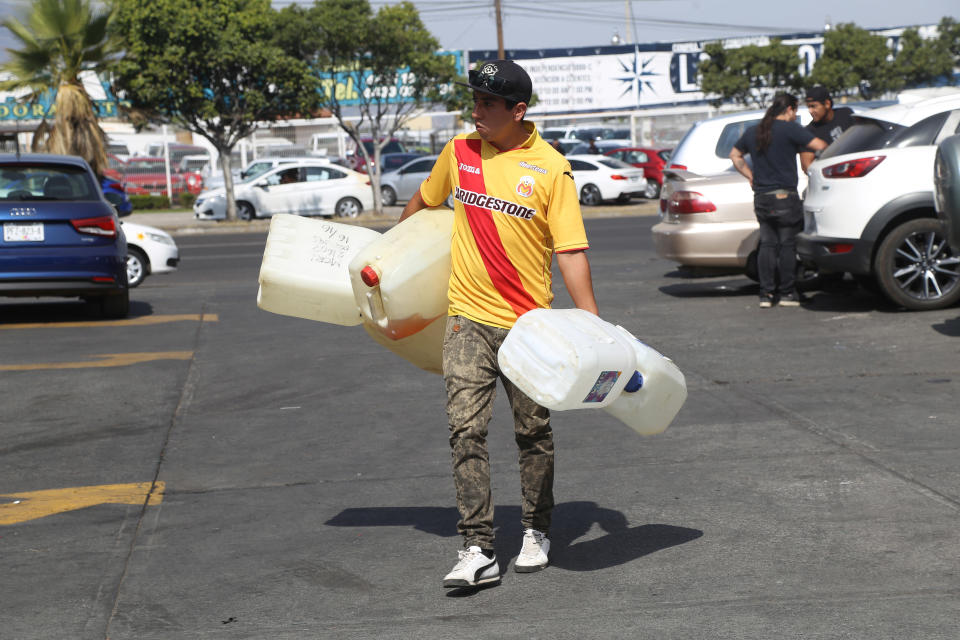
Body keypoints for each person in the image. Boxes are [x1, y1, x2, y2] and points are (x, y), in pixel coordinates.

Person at [398, 59, 599, 589]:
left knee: (533, 430)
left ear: (518, 111)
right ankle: (477, 547)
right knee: (465, 429)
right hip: (467, 320)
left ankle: (536, 528)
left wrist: (593, 324)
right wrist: (388, 258)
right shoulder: (458, 152)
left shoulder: (551, 168)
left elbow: (571, 250)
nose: (476, 110)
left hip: (530, 326)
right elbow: (425, 200)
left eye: (488, 103)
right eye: (475, 100)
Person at [729, 93, 828, 308]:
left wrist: (750, 175)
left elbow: (735, 155)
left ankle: (765, 294)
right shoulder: (790, 129)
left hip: (762, 197)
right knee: (787, 245)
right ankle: (787, 293)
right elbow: (820, 145)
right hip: (785, 197)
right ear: (790, 109)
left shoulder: (754, 131)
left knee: (767, 244)